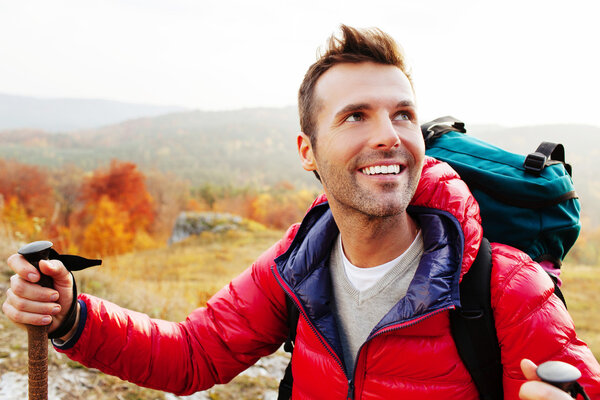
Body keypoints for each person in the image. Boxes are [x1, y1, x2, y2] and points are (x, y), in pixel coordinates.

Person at [3, 25, 599, 399]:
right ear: (307, 152)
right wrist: (69, 314)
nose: (388, 135)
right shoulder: (296, 265)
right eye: (355, 116)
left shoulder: (506, 286)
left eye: (403, 114)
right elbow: (191, 355)